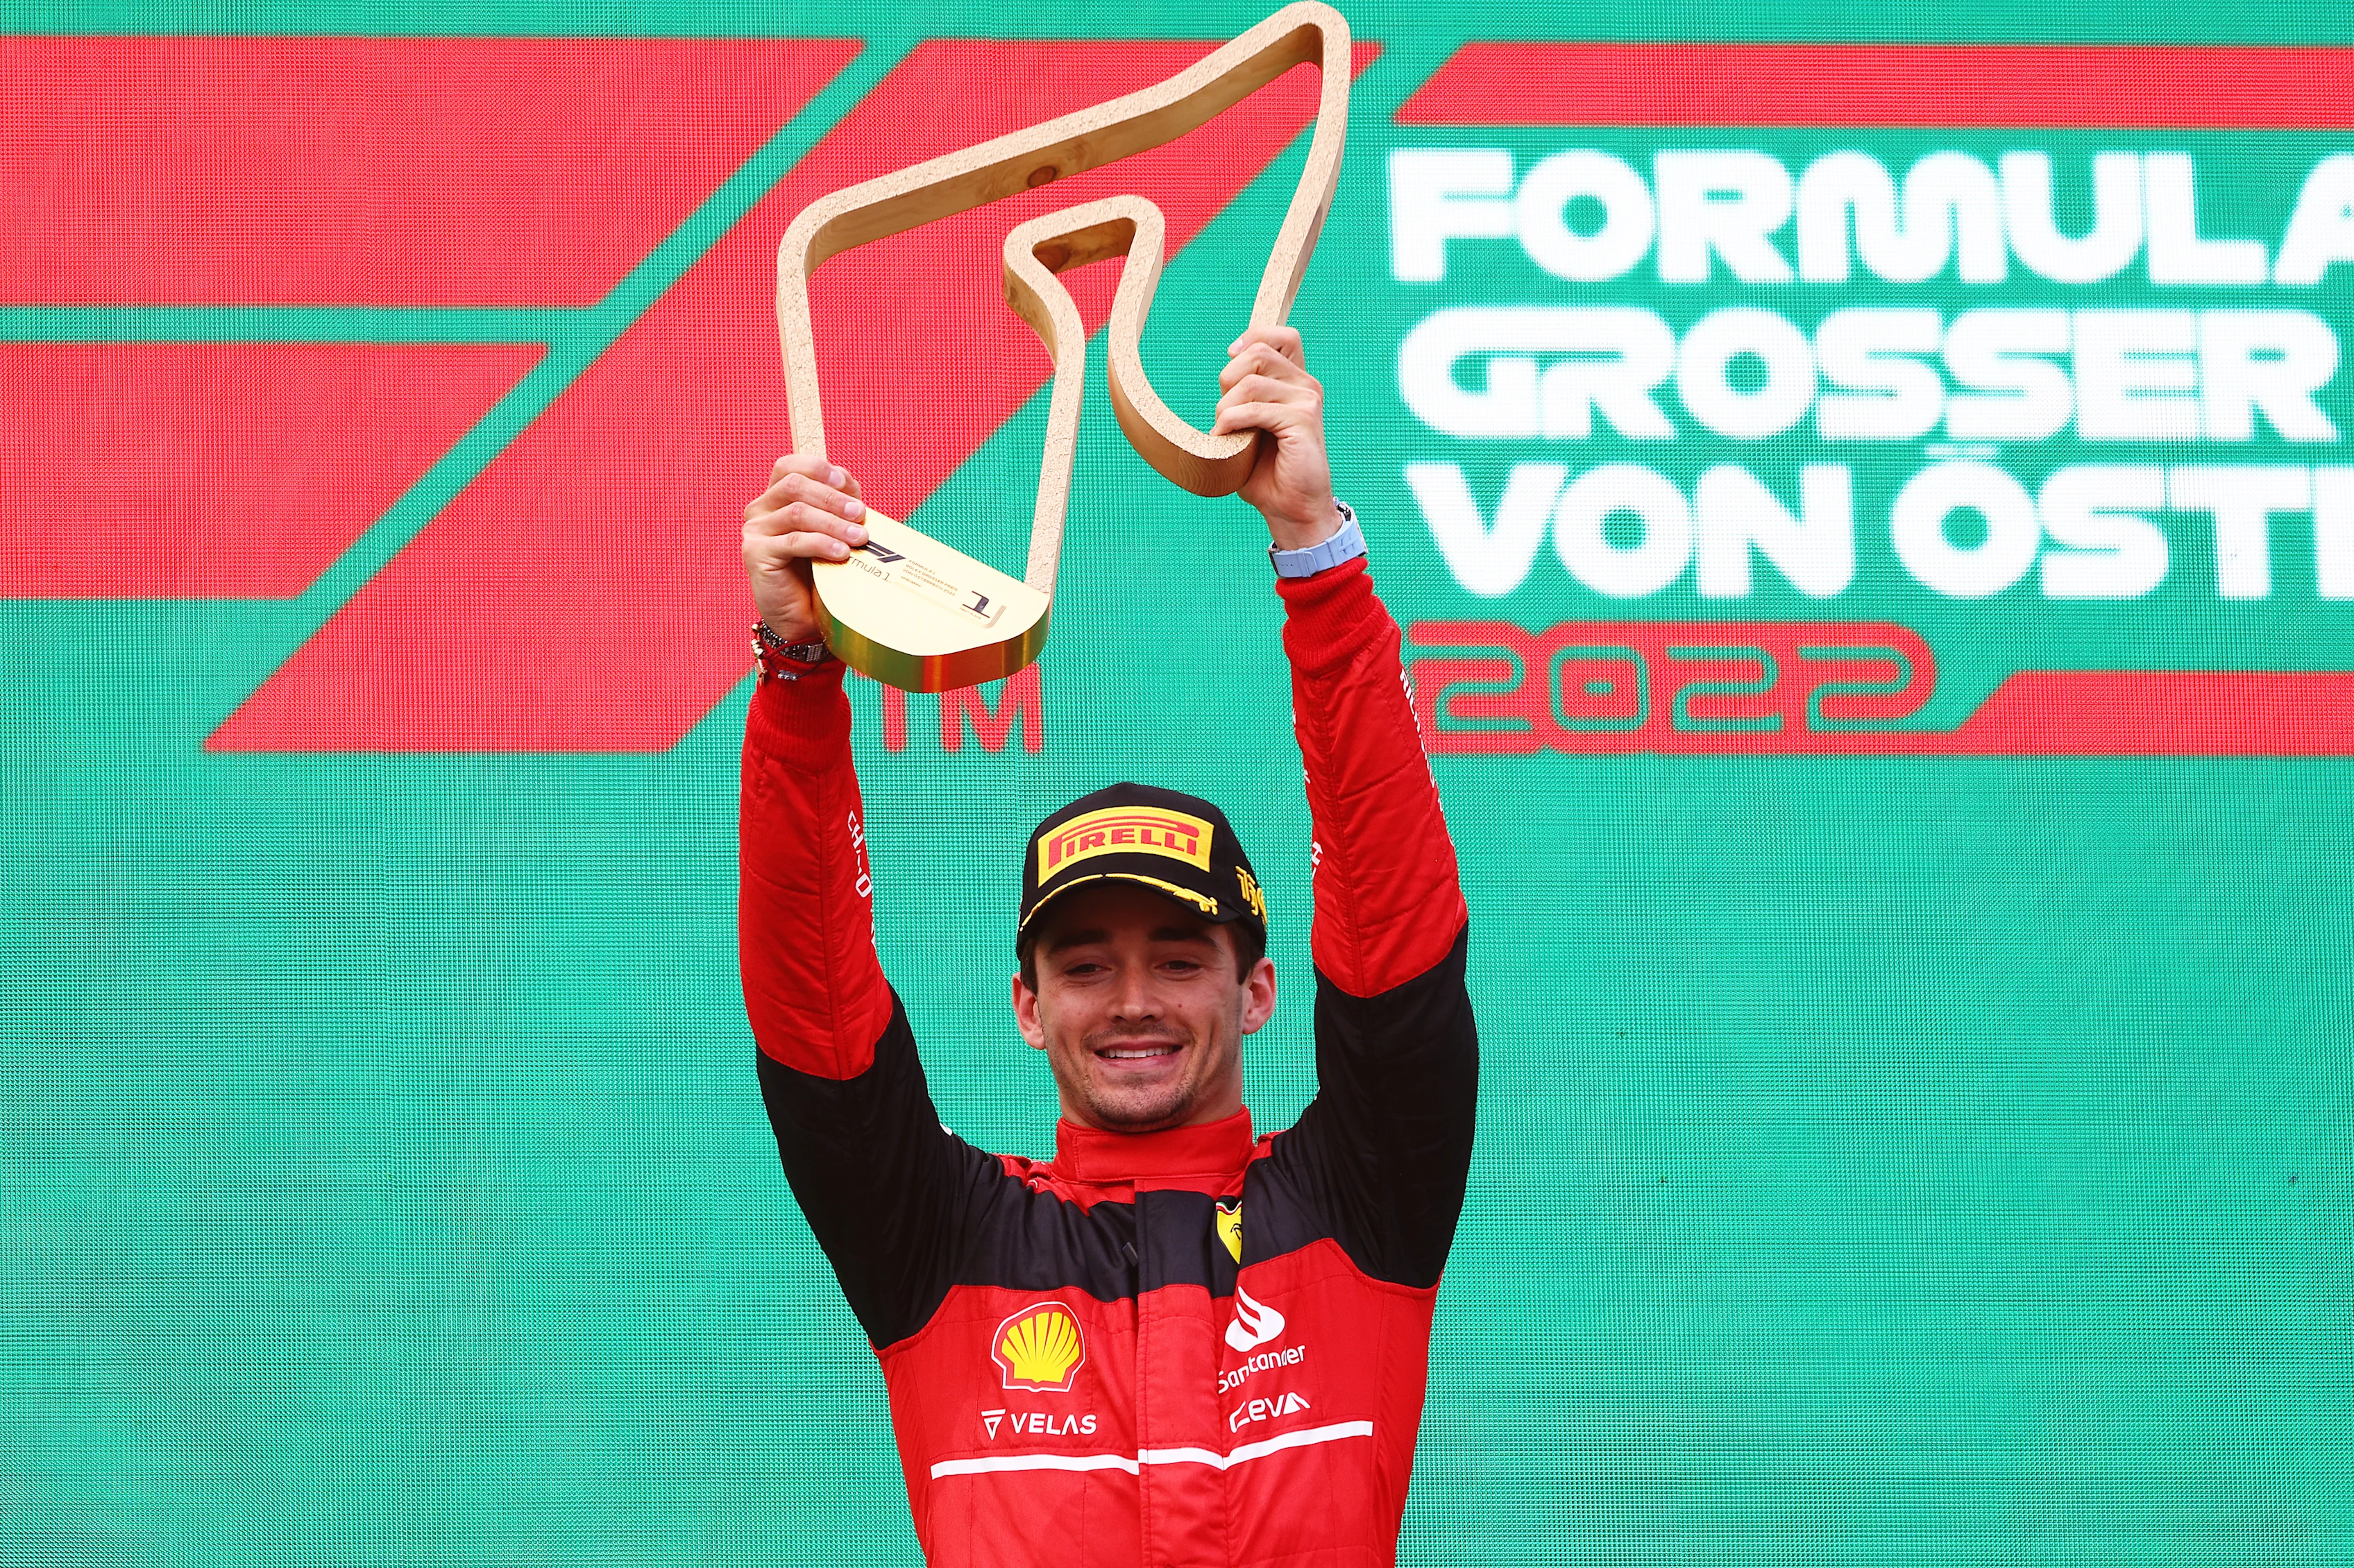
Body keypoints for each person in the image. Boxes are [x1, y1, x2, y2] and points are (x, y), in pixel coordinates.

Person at [738, 325, 1475, 1567]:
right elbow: (818, 1020)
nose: (1133, 1001)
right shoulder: (944, 1235)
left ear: (1256, 992)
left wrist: (1319, 560)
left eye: (1179, 959)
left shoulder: (1360, 1201)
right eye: (1084, 966)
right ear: (1027, 1007)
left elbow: (1397, 945)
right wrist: (801, 672)